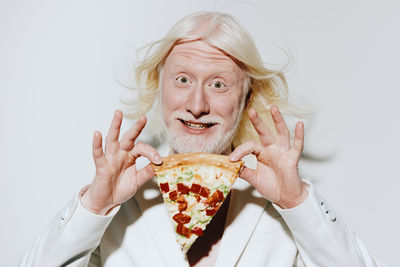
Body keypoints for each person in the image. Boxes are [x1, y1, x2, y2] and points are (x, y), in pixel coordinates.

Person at [20, 11, 384, 267]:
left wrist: (297, 201)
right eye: (182, 80)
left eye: (218, 84)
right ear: (158, 86)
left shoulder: (283, 206)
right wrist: (93, 207)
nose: (196, 104)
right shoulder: (116, 203)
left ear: (247, 99)